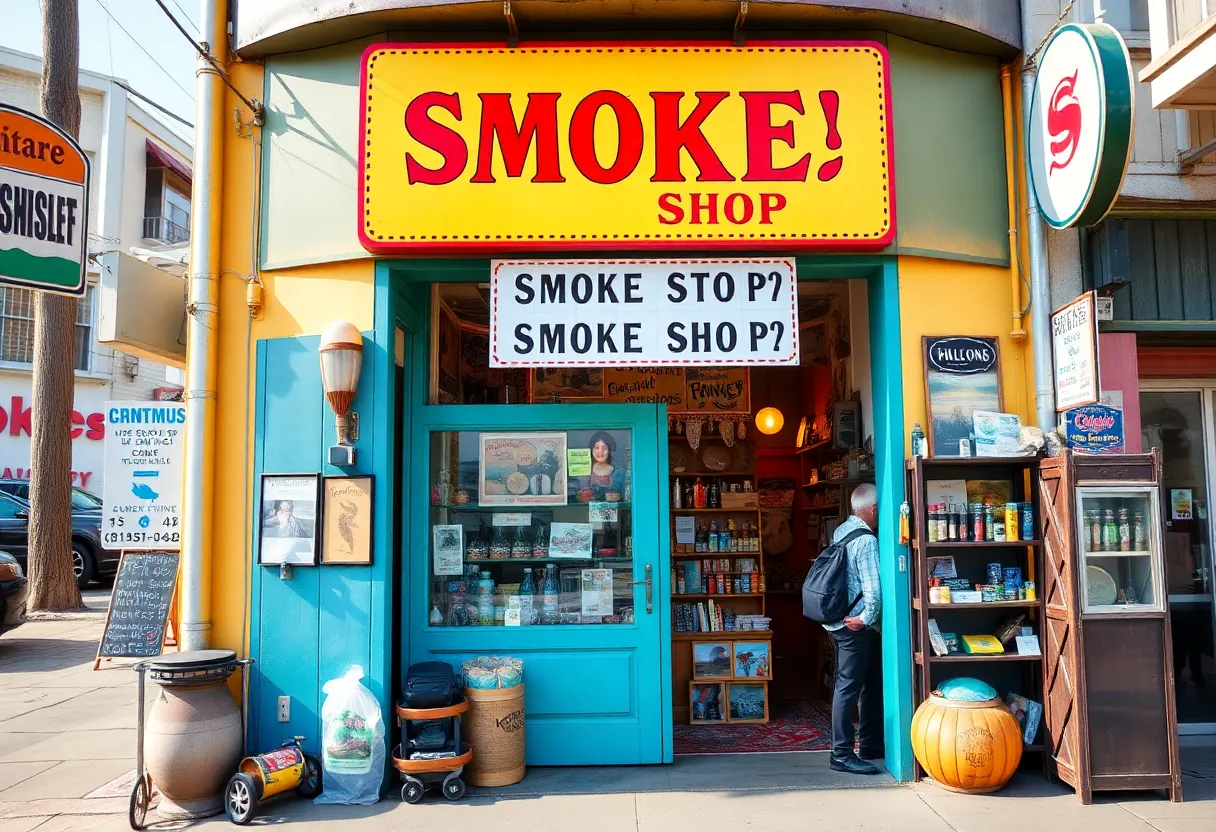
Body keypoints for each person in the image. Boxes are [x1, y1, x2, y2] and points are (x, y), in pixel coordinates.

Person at [823, 482, 883, 775]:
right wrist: (866, 619)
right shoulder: (867, 541)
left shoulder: (842, 531)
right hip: (855, 626)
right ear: (873, 509)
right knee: (848, 688)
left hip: (839, 620)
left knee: (869, 683)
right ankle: (842, 753)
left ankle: (872, 745)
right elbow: (873, 591)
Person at [586, 431, 626, 498]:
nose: (600, 452)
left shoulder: (619, 474)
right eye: (597, 447)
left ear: (609, 451)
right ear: (591, 449)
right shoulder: (585, 472)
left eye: (604, 448)